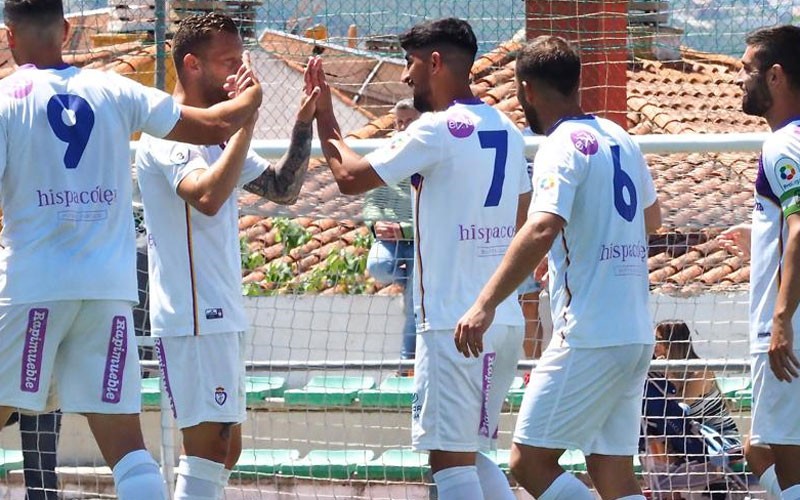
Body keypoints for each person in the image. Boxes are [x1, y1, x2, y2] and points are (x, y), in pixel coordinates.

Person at [0, 1, 262, 498]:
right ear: (68, 30)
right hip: (107, 293)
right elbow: (212, 125)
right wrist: (251, 99)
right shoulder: (114, 89)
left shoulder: (5, 99)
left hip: (31, 288)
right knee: (129, 452)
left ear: (8, 36)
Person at [308, 18, 531, 500]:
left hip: (454, 324)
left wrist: (324, 113)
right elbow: (524, 216)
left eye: (410, 64)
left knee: (448, 463)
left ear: (435, 62)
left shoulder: (434, 130)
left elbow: (348, 176)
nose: (406, 78)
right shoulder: (507, 129)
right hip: (503, 320)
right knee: (471, 455)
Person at [454, 36, 662, 500]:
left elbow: (542, 226)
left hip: (589, 335)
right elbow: (652, 219)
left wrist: (485, 304)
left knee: (529, 462)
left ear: (526, 89)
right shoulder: (619, 136)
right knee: (611, 469)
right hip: (633, 332)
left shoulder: (559, 145)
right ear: (576, 81)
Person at [135, 12, 318, 500]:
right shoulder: (165, 133)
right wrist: (247, 119)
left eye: (243, 60)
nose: (242, 73)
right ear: (192, 65)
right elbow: (208, 196)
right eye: (229, 62)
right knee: (209, 446)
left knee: (226, 447)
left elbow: (282, 189)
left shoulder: (216, 136)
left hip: (222, 313)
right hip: (192, 316)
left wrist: (302, 124)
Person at [722, 24, 800, 500]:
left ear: (774, 77)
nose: (739, 81)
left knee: (786, 462)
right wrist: (760, 239)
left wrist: (781, 318)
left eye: (746, 70)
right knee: (760, 448)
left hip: (789, 336)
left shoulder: (783, 144)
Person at [642, 321, 744, 498]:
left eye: (657, 339)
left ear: (673, 343)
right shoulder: (659, 374)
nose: (654, 345)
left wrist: (664, 376)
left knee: (660, 435)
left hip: (717, 440)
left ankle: (669, 493)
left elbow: (679, 410)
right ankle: (669, 495)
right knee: (651, 437)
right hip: (687, 440)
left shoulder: (700, 371)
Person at [362, 98, 420, 366]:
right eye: (399, 122)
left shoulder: (430, 153)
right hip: (391, 243)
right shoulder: (385, 153)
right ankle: (407, 281)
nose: (403, 127)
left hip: (422, 241)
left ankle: (406, 365)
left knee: (413, 307)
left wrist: (404, 228)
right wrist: (376, 225)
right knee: (378, 266)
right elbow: (372, 200)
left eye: (410, 121)